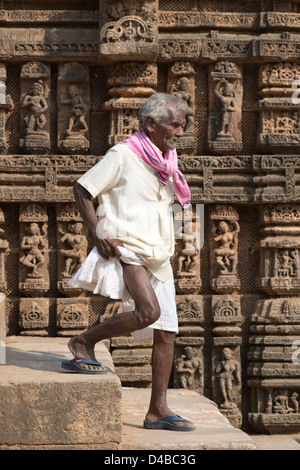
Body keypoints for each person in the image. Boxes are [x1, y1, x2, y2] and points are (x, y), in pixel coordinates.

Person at [61, 93, 195, 432]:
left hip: (158, 249)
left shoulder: (166, 159)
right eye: (174, 125)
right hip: (128, 244)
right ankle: (83, 341)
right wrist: (97, 233)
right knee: (148, 312)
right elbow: (82, 189)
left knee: (166, 333)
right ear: (151, 124)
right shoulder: (123, 154)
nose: (180, 131)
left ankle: (157, 410)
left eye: (183, 125)